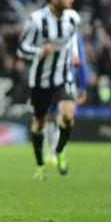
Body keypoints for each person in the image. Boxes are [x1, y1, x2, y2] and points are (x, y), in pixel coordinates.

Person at [18, 0, 81, 181]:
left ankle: (60, 151)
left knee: (68, 116)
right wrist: (38, 51)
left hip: (63, 76)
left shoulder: (73, 18)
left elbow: (73, 38)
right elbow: (21, 48)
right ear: (53, 0)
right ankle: (39, 165)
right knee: (39, 123)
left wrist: (75, 54)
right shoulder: (37, 20)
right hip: (40, 79)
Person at [43, 33, 88, 167]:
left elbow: (81, 61)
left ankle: (59, 148)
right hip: (48, 80)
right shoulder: (48, 33)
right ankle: (50, 152)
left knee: (67, 117)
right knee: (50, 116)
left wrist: (82, 85)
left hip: (67, 81)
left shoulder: (74, 36)